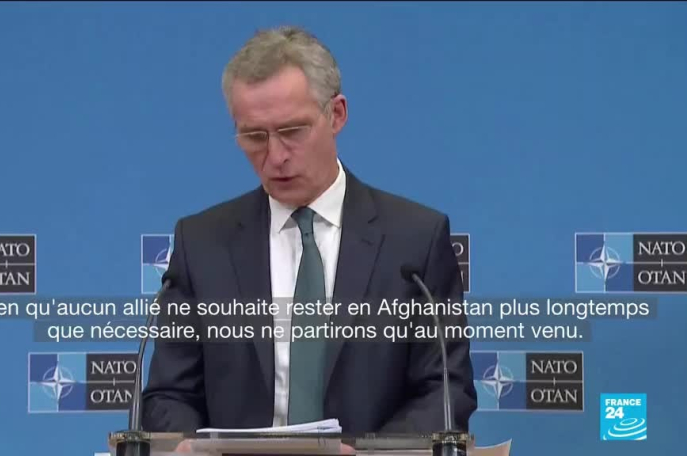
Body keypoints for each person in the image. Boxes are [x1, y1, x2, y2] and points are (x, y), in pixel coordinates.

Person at [142, 25, 477, 435]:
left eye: (292, 131)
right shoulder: (202, 244)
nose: (275, 156)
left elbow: (445, 391)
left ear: (336, 115)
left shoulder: (415, 240)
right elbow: (168, 395)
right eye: (254, 136)